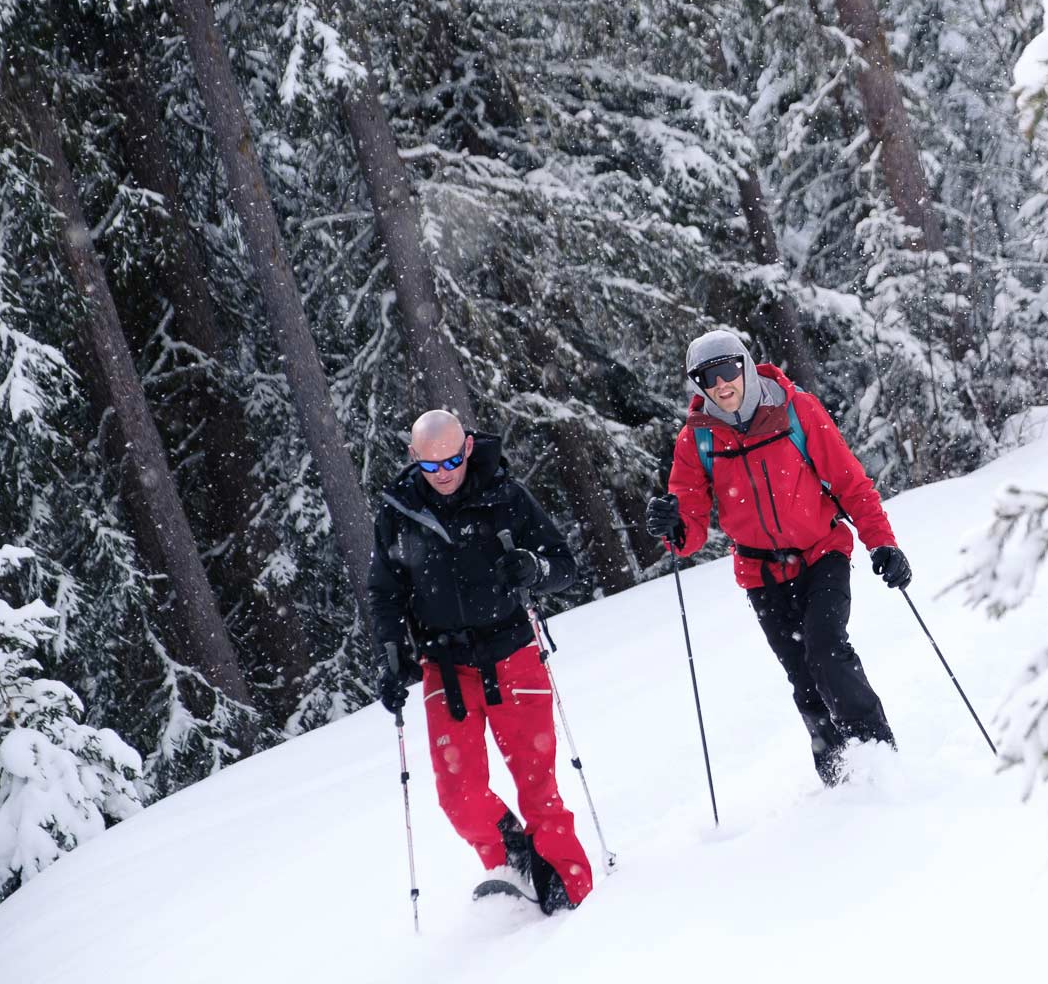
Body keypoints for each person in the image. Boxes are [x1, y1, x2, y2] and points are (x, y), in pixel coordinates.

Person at [644, 330, 911, 787]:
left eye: (728, 370)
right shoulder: (697, 440)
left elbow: (851, 484)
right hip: (760, 571)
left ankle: (878, 754)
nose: (721, 384)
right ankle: (838, 777)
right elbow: (688, 530)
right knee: (803, 675)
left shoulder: (795, 410)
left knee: (826, 649)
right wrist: (671, 527)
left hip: (822, 551)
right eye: (706, 377)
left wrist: (882, 543)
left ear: (745, 365)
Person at [367, 409, 594, 914]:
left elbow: (565, 566)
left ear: (468, 447)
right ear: (413, 458)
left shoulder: (505, 496)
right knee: (458, 794)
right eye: (430, 465)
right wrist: (392, 655)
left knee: (538, 784)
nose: (443, 472)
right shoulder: (398, 512)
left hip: (512, 652)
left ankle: (567, 889)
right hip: (445, 668)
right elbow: (385, 593)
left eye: (451, 459)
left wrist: (534, 569)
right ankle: (513, 858)